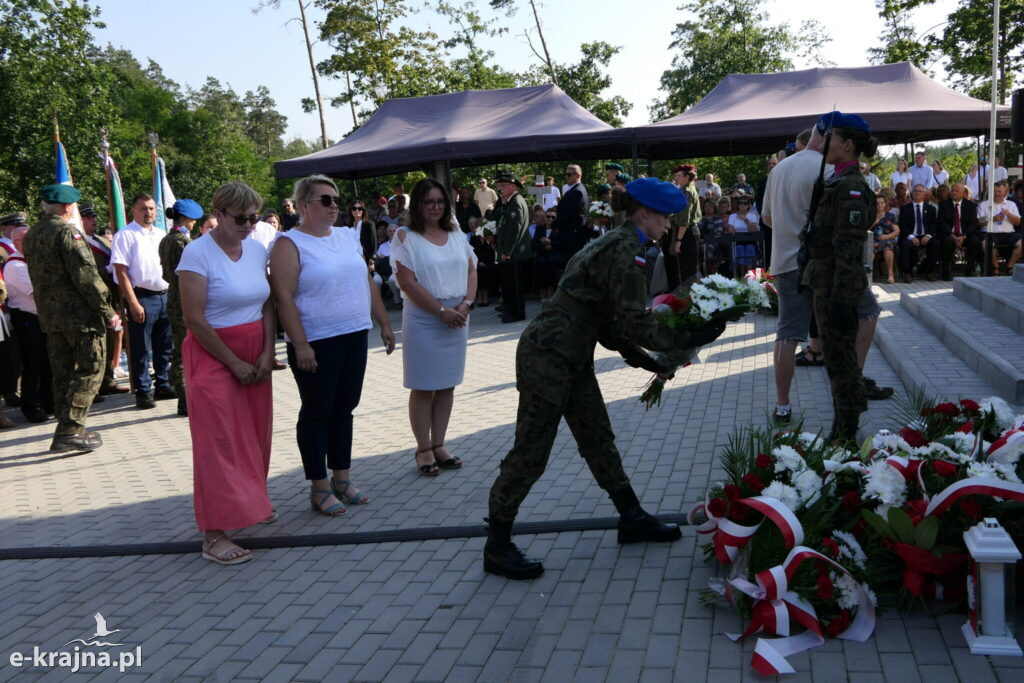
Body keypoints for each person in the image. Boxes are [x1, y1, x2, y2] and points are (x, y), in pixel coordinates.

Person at [483, 178, 727, 579]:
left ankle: (630, 516)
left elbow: (612, 326)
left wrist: (654, 363)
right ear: (644, 212)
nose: (668, 224)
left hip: (568, 352)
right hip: (549, 355)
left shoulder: (619, 243)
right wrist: (687, 338)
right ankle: (497, 543)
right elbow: (633, 322)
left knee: (597, 436)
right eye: (665, 216)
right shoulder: (626, 251)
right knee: (531, 452)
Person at [270, 175, 395, 515]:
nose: (334, 206)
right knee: (316, 412)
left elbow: (366, 281)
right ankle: (319, 486)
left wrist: (384, 322)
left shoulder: (345, 236)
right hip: (316, 340)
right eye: (326, 200)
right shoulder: (288, 243)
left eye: (336, 200)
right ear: (304, 204)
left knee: (345, 408)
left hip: (354, 333)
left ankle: (342, 478)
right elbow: (283, 297)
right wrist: (300, 344)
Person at [177, 182, 277, 565]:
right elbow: (194, 319)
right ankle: (214, 534)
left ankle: (251, 502)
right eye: (242, 218)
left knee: (254, 434)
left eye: (254, 217)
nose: (250, 224)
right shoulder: (195, 254)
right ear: (218, 214)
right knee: (218, 442)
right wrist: (233, 362)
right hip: (213, 352)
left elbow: (267, 303)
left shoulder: (255, 248)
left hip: (256, 349)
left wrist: (268, 351)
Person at [23, 184, 120, 452]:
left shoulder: (32, 234)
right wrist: (107, 310)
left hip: (51, 317)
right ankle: (70, 431)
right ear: (68, 207)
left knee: (62, 373)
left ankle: (66, 427)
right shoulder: (67, 232)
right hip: (80, 317)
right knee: (91, 369)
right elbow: (86, 276)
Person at [390, 178, 476, 476]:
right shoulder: (405, 236)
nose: (436, 207)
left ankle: (440, 444)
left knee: (447, 384)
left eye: (440, 201)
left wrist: (466, 304)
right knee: (424, 385)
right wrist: (441, 311)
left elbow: (471, 268)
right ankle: (423, 448)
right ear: (418, 204)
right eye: (429, 202)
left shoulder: (455, 234)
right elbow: (406, 282)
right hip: (426, 317)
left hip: (458, 316)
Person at [801, 112, 878, 444]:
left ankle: (846, 432)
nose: (824, 142)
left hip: (837, 285)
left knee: (842, 361)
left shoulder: (851, 188)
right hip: (826, 280)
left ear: (848, 145)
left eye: (830, 138)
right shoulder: (836, 181)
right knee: (834, 360)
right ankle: (842, 423)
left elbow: (848, 249)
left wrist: (841, 301)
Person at [111, 193, 175, 409]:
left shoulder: (160, 233)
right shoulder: (125, 235)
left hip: (164, 294)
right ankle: (143, 390)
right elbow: (121, 272)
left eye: (151, 208)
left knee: (164, 345)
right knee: (139, 348)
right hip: (142, 296)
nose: (148, 213)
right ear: (133, 211)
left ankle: (163, 384)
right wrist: (133, 303)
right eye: (143, 209)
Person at [2, 225, 52, 423]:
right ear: (15, 243)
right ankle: (31, 406)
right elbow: (39, 290)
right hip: (27, 320)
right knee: (33, 365)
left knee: (47, 363)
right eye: (26, 239)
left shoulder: (33, 260)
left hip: (42, 318)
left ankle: (49, 402)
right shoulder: (15, 265)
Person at [79, 201, 128, 396]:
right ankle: (93, 386)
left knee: (109, 342)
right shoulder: (79, 242)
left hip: (110, 297)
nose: (94, 220)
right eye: (88, 217)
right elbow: (84, 274)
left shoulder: (99, 240)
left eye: (94, 216)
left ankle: (107, 380)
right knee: (95, 345)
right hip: (93, 299)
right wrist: (106, 271)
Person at [159, 199, 203, 416]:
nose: (194, 224)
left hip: (173, 298)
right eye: (193, 220)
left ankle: (184, 395)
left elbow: (166, 274)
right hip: (185, 300)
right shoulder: (182, 243)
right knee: (185, 349)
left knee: (180, 347)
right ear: (185, 219)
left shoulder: (166, 240)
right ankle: (185, 398)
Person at [493, 172, 531, 323]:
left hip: (514, 253)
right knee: (509, 284)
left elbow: (514, 230)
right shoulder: (508, 201)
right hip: (510, 252)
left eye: (503, 186)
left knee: (515, 286)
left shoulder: (516, 202)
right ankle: (510, 311)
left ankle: (517, 314)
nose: (500, 188)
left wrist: (507, 251)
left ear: (513, 186)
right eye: (498, 186)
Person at [935, 182, 980, 279]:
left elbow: (973, 224)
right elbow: (941, 223)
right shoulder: (943, 205)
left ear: (963, 193)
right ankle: (946, 272)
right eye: (952, 190)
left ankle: (969, 270)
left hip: (965, 235)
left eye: (957, 191)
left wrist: (963, 236)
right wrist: (952, 236)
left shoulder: (970, 205)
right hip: (949, 235)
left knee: (975, 241)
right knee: (947, 242)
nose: (954, 193)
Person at [978, 180, 1022, 274]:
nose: (997, 194)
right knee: (986, 244)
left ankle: (1009, 266)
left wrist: (1009, 214)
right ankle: (996, 268)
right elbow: (979, 222)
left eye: (999, 191)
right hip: (989, 233)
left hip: (1008, 233)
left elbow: (1018, 222)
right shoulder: (984, 204)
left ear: (1006, 192)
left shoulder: (1011, 204)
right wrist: (993, 218)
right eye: (995, 191)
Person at [669, 164, 702, 289]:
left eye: (679, 176)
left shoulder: (686, 192)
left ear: (687, 177)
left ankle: (689, 301)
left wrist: (678, 240)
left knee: (688, 271)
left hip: (686, 233)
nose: (676, 178)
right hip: (688, 232)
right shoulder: (687, 189)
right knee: (688, 270)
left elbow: (684, 219)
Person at [897, 184, 939, 282]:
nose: (917, 193)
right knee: (905, 244)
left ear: (925, 194)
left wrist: (928, 236)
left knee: (936, 244)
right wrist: (912, 237)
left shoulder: (931, 209)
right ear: (912, 193)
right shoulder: (905, 208)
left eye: (920, 191)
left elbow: (934, 225)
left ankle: (929, 271)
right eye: (915, 191)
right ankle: (907, 273)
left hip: (926, 236)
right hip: (910, 235)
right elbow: (903, 225)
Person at [554, 165, 589, 257]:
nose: (566, 177)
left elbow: (567, 214)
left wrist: (553, 225)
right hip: (572, 235)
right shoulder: (576, 189)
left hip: (571, 237)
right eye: (565, 174)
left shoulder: (577, 192)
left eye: (569, 174)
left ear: (578, 176)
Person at [532, 208, 563, 300]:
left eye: (552, 217)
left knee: (552, 263)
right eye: (548, 216)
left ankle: (550, 290)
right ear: (544, 217)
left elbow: (562, 244)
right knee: (541, 263)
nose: (550, 219)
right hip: (542, 255)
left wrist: (551, 244)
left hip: (554, 256)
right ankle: (542, 290)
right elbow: (534, 244)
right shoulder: (539, 229)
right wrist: (544, 247)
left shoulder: (559, 230)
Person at [871, 195, 899, 284]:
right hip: (873, 239)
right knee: (870, 249)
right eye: (877, 203)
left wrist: (888, 236)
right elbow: (865, 229)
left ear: (885, 204)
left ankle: (890, 275)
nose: (879, 205)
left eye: (882, 203)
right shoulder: (870, 215)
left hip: (887, 238)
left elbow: (897, 231)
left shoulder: (890, 216)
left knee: (888, 248)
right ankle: (868, 275)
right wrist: (875, 222)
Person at [726, 196, 760, 270]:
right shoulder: (733, 216)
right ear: (738, 205)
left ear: (748, 205)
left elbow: (753, 230)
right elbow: (730, 230)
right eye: (740, 203)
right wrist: (733, 231)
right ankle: (742, 274)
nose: (742, 205)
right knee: (740, 248)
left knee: (749, 248)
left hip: (750, 241)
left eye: (745, 203)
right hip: (738, 241)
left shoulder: (752, 216)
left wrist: (745, 220)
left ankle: (749, 274)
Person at [344, 199, 376, 263]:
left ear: (363, 210)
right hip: (351, 259)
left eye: (359, 208)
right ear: (351, 210)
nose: (357, 210)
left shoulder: (369, 224)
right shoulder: (348, 226)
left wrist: (372, 260)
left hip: (366, 259)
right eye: (354, 208)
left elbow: (373, 244)